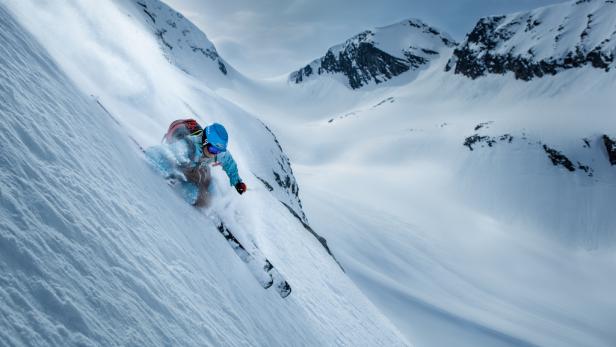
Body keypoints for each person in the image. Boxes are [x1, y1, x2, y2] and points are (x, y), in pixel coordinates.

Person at [146, 119, 247, 206]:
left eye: (218, 151)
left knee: (205, 189)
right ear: (205, 142)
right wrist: (181, 161)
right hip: (182, 157)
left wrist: (238, 182)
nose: (214, 154)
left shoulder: (218, 153)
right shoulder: (190, 144)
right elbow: (176, 149)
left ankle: (211, 205)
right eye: (213, 149)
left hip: (195, 166)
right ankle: (156, 158)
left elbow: (230, 164)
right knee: (167, 165)